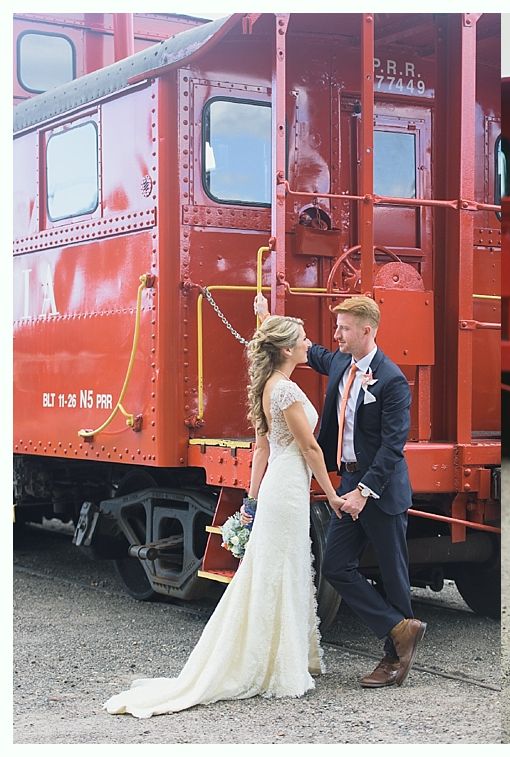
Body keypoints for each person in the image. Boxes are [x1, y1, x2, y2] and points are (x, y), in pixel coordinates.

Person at [105, 316, 344, 718]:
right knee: (281, 570)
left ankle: (284, 657)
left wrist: (250, 503)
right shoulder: (284, 391)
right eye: (303, 339)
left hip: (277, 488)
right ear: (286, 350)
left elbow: (262, 453)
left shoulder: (271, 388)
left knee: (276, 571)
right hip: (287, 488)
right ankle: (281, 665)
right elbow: (311, 450)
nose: (309, 344)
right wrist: (333, 495)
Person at [254, 294, 426, 689]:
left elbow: (392, 446)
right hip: (346, 483)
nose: (336, 335)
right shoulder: (337, 362)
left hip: (380, 491)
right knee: (335, 567)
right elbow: (297, 346)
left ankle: (393, 660)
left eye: (344, 328)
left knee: (394, 575)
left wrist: (364, 492)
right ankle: (400, 630)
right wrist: (265, 317)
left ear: (367, 331)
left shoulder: (393, 380)